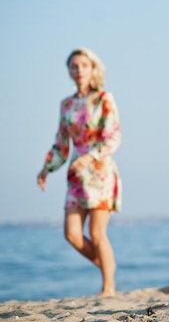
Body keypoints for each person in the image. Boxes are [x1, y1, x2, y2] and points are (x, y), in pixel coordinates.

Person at [37, 47, 122, 297]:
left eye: (84, 65)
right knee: (72, 234)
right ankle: (107, 265)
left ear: (92, 68)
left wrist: (89, 157)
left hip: (100, 171)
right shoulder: (66, 105)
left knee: (97, 233)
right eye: (74, 66)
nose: (79, 70)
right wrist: (47, 168)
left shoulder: (104, 99)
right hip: (76, 176)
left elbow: (113, 137)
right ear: (69, 71)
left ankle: (108, 287)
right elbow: (61, 143)